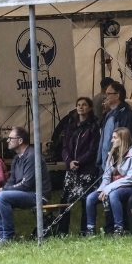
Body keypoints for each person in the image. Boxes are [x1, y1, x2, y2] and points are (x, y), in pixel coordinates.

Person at [0, 126, 49, 244]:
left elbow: (26, 184)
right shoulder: (17, 158)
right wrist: (0, 189)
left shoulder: (32, 156)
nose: (7, 140)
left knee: (2, 196)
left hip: (37, 194)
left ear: (20, 141)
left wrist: (2, 190)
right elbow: (12, 180)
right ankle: (2, 233)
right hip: (23, 193)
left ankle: (8, 236)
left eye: (10, 138)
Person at [83, 126, 132, 235]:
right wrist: (102, 190)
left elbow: (130, 179)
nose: (112, 140)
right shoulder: (112, 155)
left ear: (123, 139)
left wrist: (108, 189)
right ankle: (90, 228)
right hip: (112, 187)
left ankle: (118, 228)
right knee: (90, 198)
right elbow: (106, 177)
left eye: (115, 138)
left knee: (113, 195)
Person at [56, 97, 100, 235]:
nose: (81, 107)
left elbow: (93, 150)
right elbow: (64, 147)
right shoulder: (71, 126)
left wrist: (79, 162)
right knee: (65, 200)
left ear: (90, 107)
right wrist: (69, 161)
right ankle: (62, 230)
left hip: (87, 169)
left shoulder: (94, 126)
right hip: (71, 169)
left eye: (84, 105)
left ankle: (85, 229)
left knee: (85, 199)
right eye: (78, 105)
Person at [99, 82, 132, 166]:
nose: (105, 96)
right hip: (106, 162)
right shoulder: (109, 113)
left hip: (117, 163)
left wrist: (118, 162)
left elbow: (127, 140)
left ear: (117, 96)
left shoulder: (126, 114)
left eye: (108, 94)